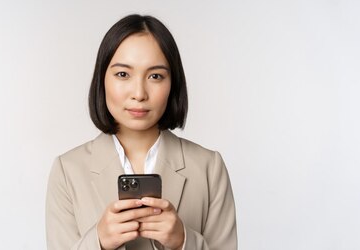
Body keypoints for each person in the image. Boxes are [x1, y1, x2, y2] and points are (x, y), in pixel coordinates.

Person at [46, 14, 237, 250]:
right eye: (123, 74)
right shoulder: (68, 170)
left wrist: (183, 241)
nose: (139, 93)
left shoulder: (209, 167)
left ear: (172, 83)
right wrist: (98, 242)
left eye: (155, 76)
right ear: (102, 80)